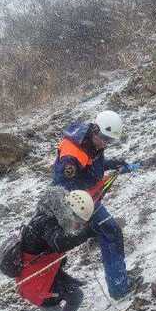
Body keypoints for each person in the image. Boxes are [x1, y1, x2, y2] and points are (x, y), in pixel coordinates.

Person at [52, 110, 142, 299]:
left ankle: (119, 279)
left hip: (88, 198)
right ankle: (119, 287)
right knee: (111, 232)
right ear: (96, 131)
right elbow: (64, 188)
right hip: (78, 204)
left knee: (110, 232)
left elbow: (92, 165)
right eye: (104, 139)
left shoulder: (93, 140)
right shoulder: (71, 155)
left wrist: (115, 164)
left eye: (110, 141)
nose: (106, 144)